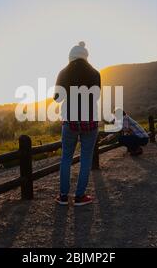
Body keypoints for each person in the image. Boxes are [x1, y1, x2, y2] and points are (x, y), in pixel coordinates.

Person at [53, 42, 101, 206]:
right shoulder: (95, 73)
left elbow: (58, 98)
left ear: (71, 56)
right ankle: (80, 196)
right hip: (90, 121)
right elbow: (96, 97)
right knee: (86, 158)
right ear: (85, 56)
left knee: (66, 157)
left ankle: (63, 196)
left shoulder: (63, 72)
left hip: (70, 121)